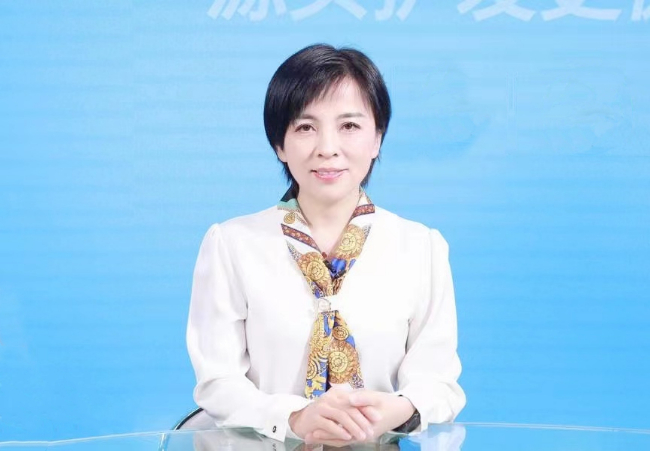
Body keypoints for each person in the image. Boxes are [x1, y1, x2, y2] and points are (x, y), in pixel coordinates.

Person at [186, 43, 466, 447]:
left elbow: (438, 382)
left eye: (349, 126)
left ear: (377, 139)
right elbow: (218, 383)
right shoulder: (232, 245)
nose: (328, 147)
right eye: (306, 128)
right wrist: (294, 418)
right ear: (279, 145)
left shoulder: (421, 247)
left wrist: (399, 410)